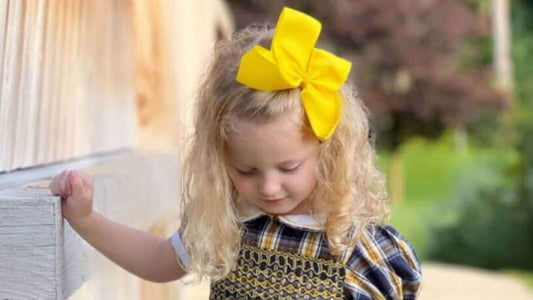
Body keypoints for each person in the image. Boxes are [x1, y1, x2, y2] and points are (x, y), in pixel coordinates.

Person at [50, 7, 422, 299]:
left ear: (328, 152)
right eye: (246, 170)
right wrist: (86, 220)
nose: (269, 187)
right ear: (220, 158)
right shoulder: (229, 218)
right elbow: (157, 260)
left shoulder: (350, 243)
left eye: (289, 167)